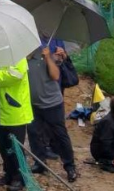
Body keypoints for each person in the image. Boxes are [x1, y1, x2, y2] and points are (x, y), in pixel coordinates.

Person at [27, 38, 79, 182]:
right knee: (34, 133)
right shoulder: (25, 56)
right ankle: (40, 162)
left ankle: (70, 166)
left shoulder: (48, 52)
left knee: (60, 134)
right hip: (33, 103)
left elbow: (56, 75)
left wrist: (48, 57)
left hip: (52, 103)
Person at [0, 58, 35, 191]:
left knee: (15, 148)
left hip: (15, 112)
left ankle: (19, 177)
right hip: (1, 110)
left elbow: (15, 75)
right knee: (4, 146)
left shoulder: (18, 57)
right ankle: (8, 173)